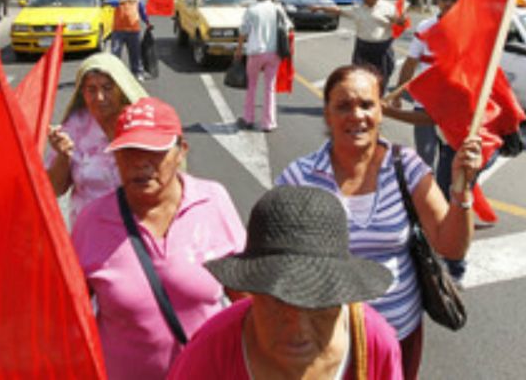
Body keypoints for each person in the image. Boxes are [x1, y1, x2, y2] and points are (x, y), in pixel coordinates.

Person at [276, 65, 482, 380]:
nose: (356, 115)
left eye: (366, 104)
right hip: (327, 344)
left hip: (400, 338)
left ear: (381, 111)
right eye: (343, 106)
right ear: (327, 114)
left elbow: (451, 247)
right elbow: (270, 265)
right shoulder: (299, 178)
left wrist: (461, 189)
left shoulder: (406, 166)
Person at [71, 97, 247, 380]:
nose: (140, 163)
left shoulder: (213, 201)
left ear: (181, 151)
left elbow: (246, 301)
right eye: (128, 152)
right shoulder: (92, 221)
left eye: (153, 151)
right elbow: (68, 315)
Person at [167, 185, 403, 380]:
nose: (298, 328)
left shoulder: (374, 344)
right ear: (253, 292)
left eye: (318, 303)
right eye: (278, 302)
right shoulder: (212, 351)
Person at [46, 52, 149, 230]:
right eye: (91, 90)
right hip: (89, 234)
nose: (100, 97)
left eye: (107, 88)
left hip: (135, 232)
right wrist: (63, 156)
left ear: (121, 88)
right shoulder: (74, 127)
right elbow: (54, 189)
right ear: (82, 92)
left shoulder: (141, 123)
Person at [386, 0, 464, 171]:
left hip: (454, 109)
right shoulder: (425, 27)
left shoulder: (468, 28)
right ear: (438, 1)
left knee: (450, 164)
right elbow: (410, 63)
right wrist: (397, 95)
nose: (448, 3)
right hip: (425, 105)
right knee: (425, 160)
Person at [310, 0, 407, 89]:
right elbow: (338, 10)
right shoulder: (358, 8)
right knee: (359, 76)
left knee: (383, 76)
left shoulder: (388, 8)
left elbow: (400, 22)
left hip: (382, 49)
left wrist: (401, 19)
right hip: (362, 48)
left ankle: (379, 96)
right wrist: (320, 8)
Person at [233, 0, 293, 132]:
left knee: (251, 86)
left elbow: (243, 31)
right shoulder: (278, 8)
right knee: (270, 87)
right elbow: (288, 27)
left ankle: (248, 118)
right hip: (274, 53)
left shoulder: (252, 10)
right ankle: (269, 123)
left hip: (255, 52)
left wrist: (239, 49)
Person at [106, 0, 153, 82]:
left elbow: (142, 10)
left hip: (134, 30)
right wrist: (119, 0)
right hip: (118, 30)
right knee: (115, 53)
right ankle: (115, 75)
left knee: (135, 53)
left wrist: (147, 22)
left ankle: (137, 72)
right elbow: (111, 1)